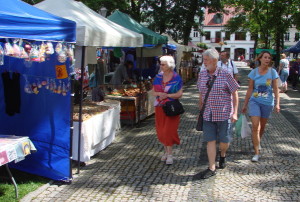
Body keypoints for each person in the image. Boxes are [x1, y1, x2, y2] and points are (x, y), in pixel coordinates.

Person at [196, 49, 239, 179]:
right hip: (208, 114)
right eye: (203, 60)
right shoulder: (202, 75)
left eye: (206, 60)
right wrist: (200, 110)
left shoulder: (225, 74)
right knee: (210, 140)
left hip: (224, 113)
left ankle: (223, 154)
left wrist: (235, 112)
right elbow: (201, 93)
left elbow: (235, 93)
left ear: (215, 61)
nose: (204, 63)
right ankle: (211, 167)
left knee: (224, 140)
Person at [241, 51, 280, 162]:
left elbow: (276, 89)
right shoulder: (253, 72)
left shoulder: (272, 72)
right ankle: (256, 152)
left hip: (267, 103)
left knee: (261, 127)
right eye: (265, 57)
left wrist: (277, 103)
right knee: (255, 126)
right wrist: (245, 104)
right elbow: (250, 89)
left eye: (269, 58)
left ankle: (257, 142)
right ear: (260, 59)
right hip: (255, 101)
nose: (267, 59)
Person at [152, 55, 183, 165]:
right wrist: (159, 94)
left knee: (168, 130)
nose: (161, 66)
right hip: (159, 107)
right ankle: (165, 152)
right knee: (161, 130)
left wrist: (167, 95)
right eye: (160, 64)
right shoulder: (158, 77)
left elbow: (179, 94)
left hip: (171, 108)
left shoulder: (176, 78)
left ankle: (170, 154)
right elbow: (153, 92)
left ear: (169, 65)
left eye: (163, 64)